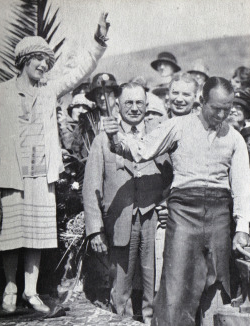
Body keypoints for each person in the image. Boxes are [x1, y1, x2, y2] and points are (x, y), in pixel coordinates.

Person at [102, 76, 250, 326]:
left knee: (217, 284)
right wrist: (115, 139)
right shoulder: (178, 126)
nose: (221, 115)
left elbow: (241, 188)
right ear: (202, 102)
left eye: (227, 109)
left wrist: (243, 228)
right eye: (216, 108)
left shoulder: (235, 138)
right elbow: (141, 151)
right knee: (176, 284)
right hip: (183, 214)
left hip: (219, 216)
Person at [0, 12, 109, 314]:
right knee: (10, 236)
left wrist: (98, 41)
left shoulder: (48, 91)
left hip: (42, 174)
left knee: (35, 235)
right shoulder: (0, 94)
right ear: (24, 60)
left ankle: (31, 292)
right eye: (38, 60)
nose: (44, 65)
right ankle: (11, 286)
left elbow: (79, 71)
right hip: (10, 175)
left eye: (47, 61)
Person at [83, 82, 167, 324]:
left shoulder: (157, 135)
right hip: (119, 221)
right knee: (120, 286)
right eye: (128, 102)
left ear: (146, 105)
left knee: (153, 282)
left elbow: (173, 176)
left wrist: (167, 203)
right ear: (117, 105)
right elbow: (91, 188)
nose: (134, 108)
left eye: (139, 102)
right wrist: (95, 229)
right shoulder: (102, 140)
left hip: (152, 219)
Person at [80, 72, 121, 151]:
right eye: (98, 94)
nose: (102, 98)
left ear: (115, 94)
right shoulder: (86, 120)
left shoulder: (124, 117)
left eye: (107, 93)